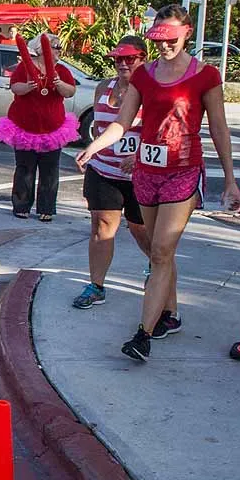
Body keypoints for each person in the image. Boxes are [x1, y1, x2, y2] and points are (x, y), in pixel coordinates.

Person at [76, 4, 240, 362]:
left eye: (171, 39)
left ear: (187, 33)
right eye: (158, 39)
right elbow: (121, 123)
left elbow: (219, 128)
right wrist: (94, 146)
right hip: (146, 174)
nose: (164, 46)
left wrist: (230, 180)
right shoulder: (144, 76)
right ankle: (170, 313)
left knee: (162, 250)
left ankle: (143, 335)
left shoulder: (205, 75)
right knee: (157, 251)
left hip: (183, 172)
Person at [73, 36, 152, 309]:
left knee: (140, 229)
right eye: (118, 59)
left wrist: (138, 154)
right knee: (101, 227)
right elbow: (100, 127)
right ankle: (96, 286)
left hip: (139, 175)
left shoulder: (151, 91)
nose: (122, 64)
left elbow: (159, 131)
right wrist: (92, 150)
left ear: (143, 59)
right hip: (104, 169)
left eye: (129, 59)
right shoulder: (103, 88)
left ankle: (158, 267)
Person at [0, 33, 79, 222]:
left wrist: (59, 83)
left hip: (53, 128)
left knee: (50, 170)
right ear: (42, 49)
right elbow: (15, 86)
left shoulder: (61, 70)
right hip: (25, 126)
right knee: (25, 168)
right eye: (56, 47)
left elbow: (71, 91)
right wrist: (27, 86)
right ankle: (21, 205)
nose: (59, 50)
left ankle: (46, 208)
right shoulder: (25, 67)